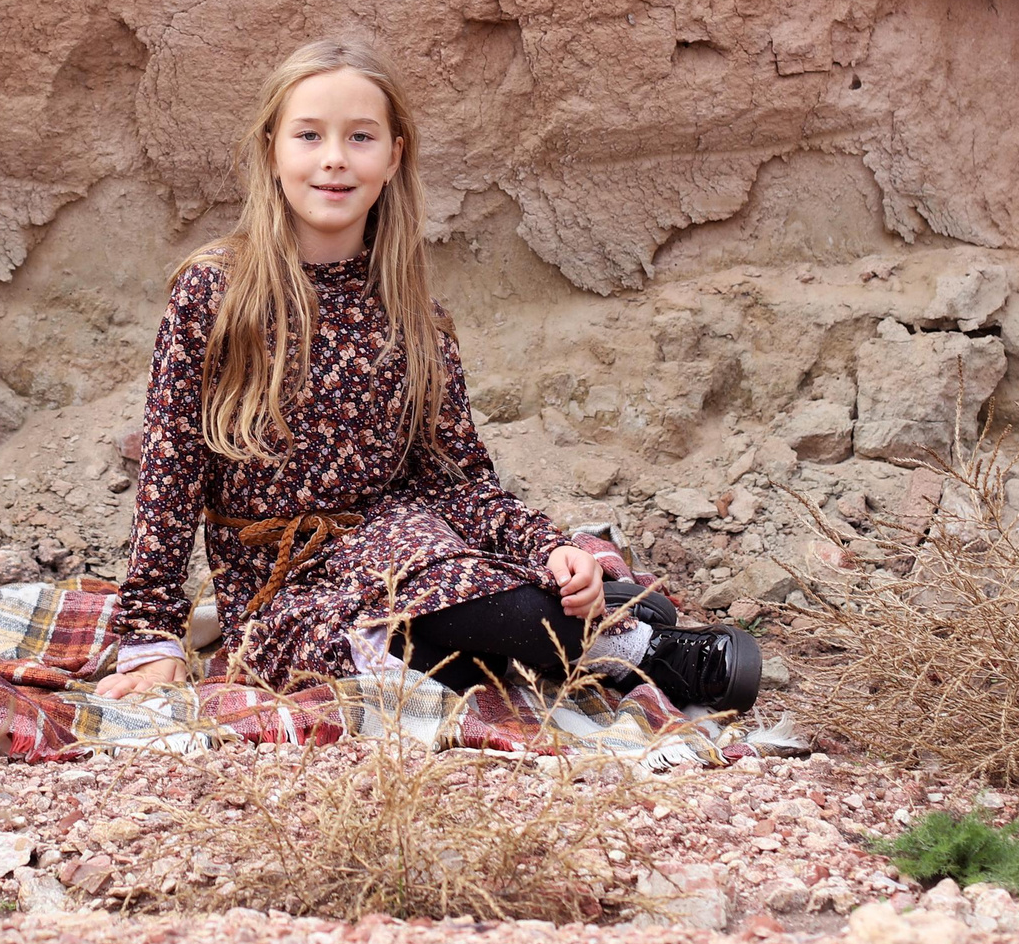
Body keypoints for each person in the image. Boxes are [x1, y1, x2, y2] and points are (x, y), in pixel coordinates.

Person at [91, 36, 700, 701]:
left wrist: (547, 547)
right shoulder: (217, 293)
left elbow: (458, 483)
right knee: (458, 661)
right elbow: (171, 469)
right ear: (271, 150)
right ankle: (611, 633)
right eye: (309, 135)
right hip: (281, 595)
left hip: (404, 550)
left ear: (392, 156)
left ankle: (647, 648)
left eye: (360, 137)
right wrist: (150, 632)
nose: (334, 158)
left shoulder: (414, 316)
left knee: (456, 583)